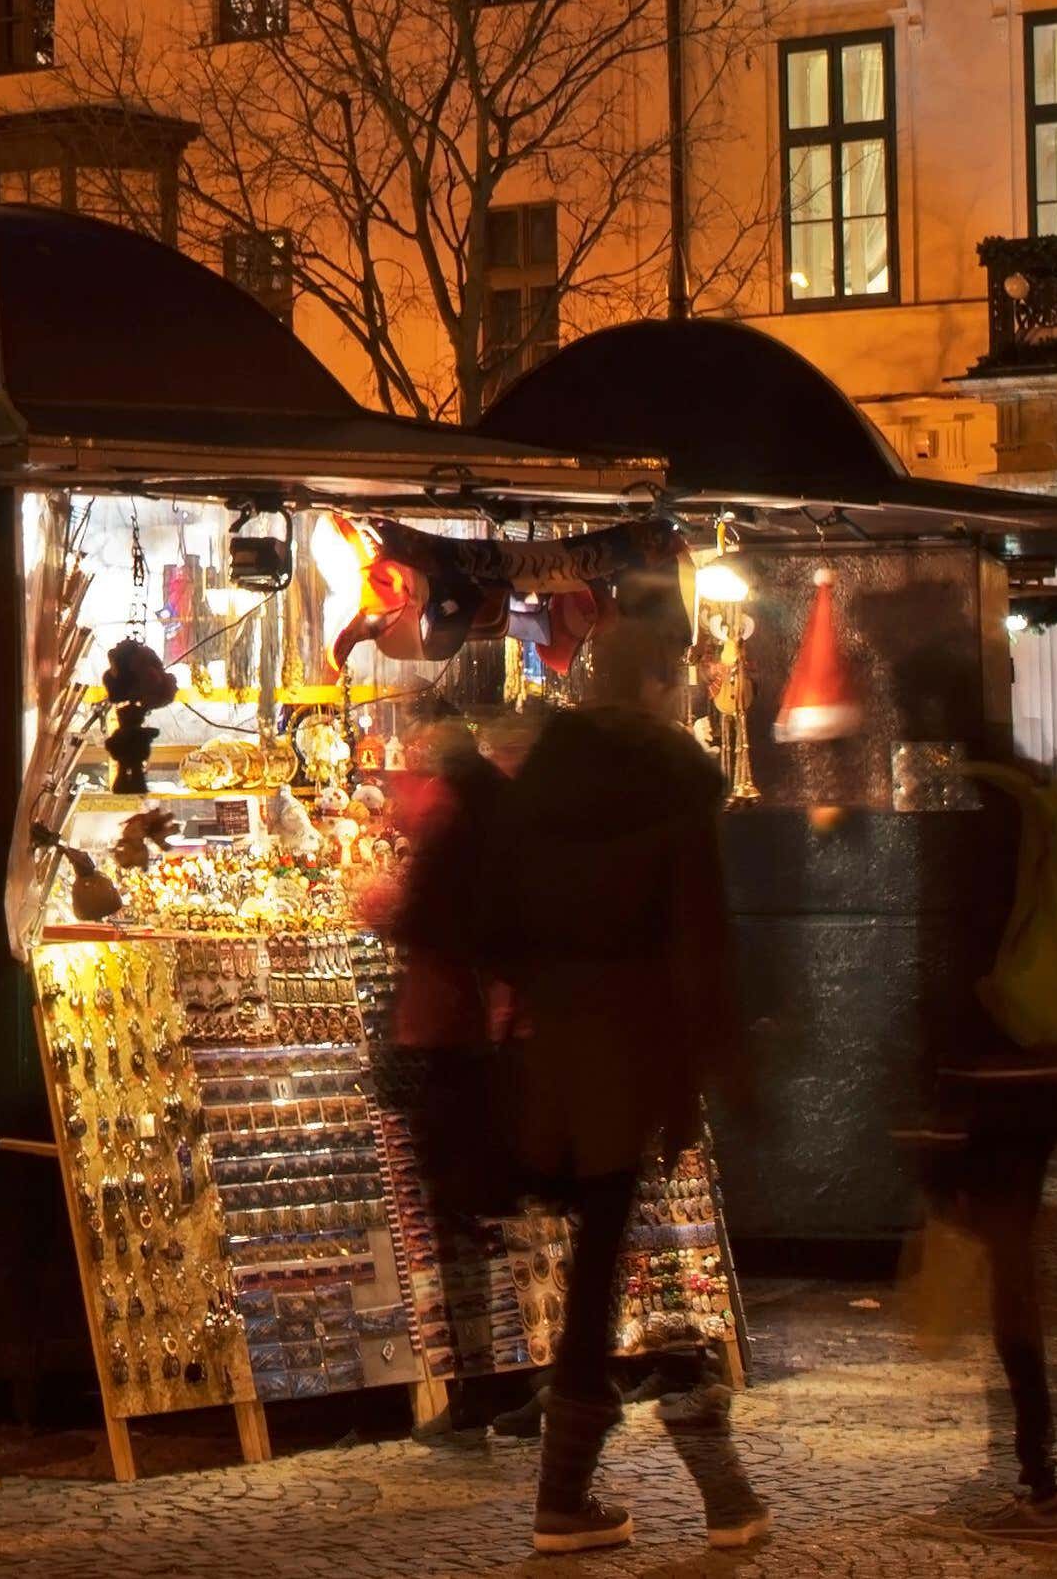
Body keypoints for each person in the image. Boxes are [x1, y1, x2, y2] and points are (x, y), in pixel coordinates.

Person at [480, 607, 760, 1554]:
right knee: (615, 1255)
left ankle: (588, 1487)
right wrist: (724, 1055)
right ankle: (611, 1486)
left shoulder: (543, 781)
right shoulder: (671, 784)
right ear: (655, 684)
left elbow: (500, 916)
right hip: (637, 1041)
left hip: (553, 1043)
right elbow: (701, 930)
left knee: (605, 1247)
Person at [899, 651, 1057, 1542]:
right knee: (1018, 1269)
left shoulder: (966, 812)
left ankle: (1040, 1485)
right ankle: (1034, 1472)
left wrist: (929, 1089)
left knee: (1011, 1281)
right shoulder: (1042, 795)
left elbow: (949, 955)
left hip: (992, 1070)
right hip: (1053, 1063)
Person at [353, 706, 522, 1445]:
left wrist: (388, 908)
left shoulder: (452, 822)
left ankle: (479, 1388)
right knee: (483, 1218)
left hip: (448, 1038)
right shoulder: (495, 821)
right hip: (478, 1036)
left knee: (459, 1221)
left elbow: (431, 920)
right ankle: (507, 1383)